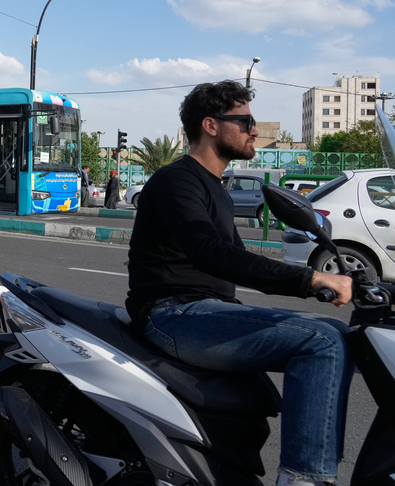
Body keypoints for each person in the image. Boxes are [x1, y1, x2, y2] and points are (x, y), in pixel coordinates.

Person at [125, 80, 353, 486]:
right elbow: (208, 252)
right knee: (321, 342)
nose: (254, 130)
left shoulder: (219, 189)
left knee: (338, 333)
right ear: (211, 125)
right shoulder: (176, 180)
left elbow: (237, 261)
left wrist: (317, 281)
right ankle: (304, 479)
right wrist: (309, 277)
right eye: (245, 120)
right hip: (171, 312)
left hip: (207, 311)